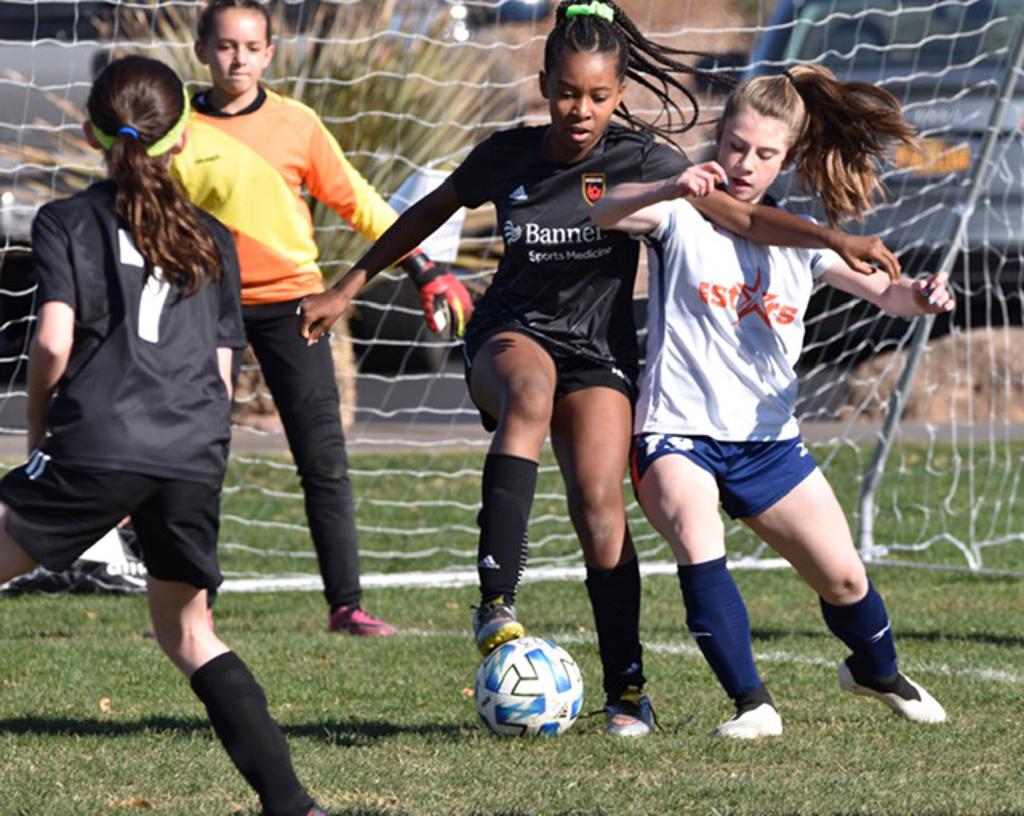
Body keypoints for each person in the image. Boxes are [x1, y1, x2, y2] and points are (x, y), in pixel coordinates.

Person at [298, 1, 901, 737]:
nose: (579, 110)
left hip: (601, 350)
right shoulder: (508, 154)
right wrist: (348, 284)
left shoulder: (647, 159)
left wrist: (834, 237)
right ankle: (497, 601)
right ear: (544, 80)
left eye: (597, 96)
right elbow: (424, 213)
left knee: (601, 508)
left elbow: (743, 219)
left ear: (618, 95)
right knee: (529, 390)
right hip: (513, 331)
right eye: (565, 92)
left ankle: (627, 691)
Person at [0, 56, 326, 815]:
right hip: (190, 452)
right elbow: (217, 368)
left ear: (88, 134)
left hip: (98, 440)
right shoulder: (213, 234)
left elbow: (52, 341)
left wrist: (43, 435)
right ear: (184, 141)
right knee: (188, 635)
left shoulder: (67, 220)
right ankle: (294, 804)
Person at [591, 64, 951, 739]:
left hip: (768, 444)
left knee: (845, 583)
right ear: (717, 136)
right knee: (699, 538)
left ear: (787, 156)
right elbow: (602, 207)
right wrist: (672, 182)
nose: (744, 164)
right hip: (678, 435)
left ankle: (877, 671)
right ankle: (753, 704)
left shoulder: (801, 238)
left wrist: (924, 296)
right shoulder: (682, 213)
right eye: (734, 145)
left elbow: (890, 295)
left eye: (763, 153)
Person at [172, 0, 473, 636]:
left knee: (323, 458)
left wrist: (423, 269)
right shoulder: (178, 130)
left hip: (294, 308)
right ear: (202, 51)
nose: (239, 59)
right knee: (194, 457)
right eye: (226, 46)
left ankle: (346, 604)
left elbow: (358, 201)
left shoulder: (296, 124)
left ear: (270, 54)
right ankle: (188, 604)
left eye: (252, 47)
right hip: (205, 310)